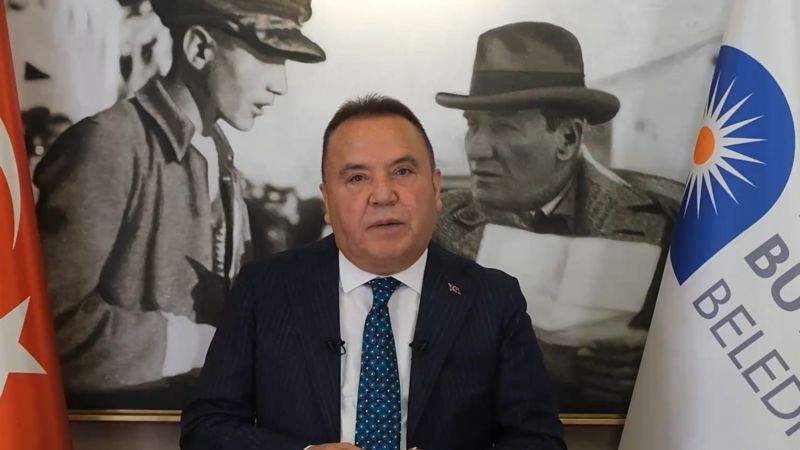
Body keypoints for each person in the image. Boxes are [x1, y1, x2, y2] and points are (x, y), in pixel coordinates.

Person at [180, 95, 566, 450]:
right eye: (357, 178)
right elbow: (205, 429)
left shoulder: (492, 299)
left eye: (403, 171)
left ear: (436, 188)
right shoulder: (265, 290)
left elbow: (540, 442)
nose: (383, 195)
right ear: (327, 201)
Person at [34, 0, 325, 408]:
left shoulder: (220, 160)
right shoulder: (108, 145)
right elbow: (44, 333)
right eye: (267, 56)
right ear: (199, 49)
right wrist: (197, 345)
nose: (281, 84)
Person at [433, 22, 683, 412]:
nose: (477, 149)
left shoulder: (669, 221)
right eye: (473, 126)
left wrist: (653, 367)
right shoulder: (437, 225)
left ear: (567, 138)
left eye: (503, 128)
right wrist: (556, 364)